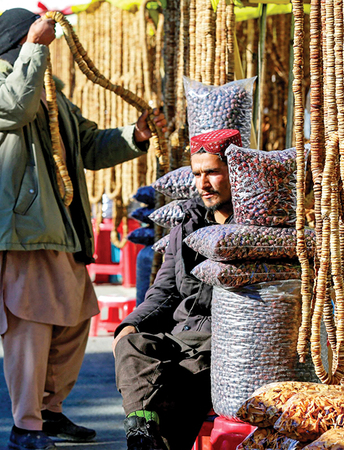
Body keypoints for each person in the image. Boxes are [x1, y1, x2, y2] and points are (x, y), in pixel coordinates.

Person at [0, 9, 167, 450]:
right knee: (30, 328)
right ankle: (25, 425)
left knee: (75, 320)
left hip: (62, 229)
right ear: (24, 43)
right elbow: (12, 108)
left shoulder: (49, 92)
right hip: (23, 229)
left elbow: (90, 145)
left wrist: (135, 135)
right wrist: (36, 49)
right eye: (37, 42)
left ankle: (50, 411)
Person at [112, 129, 241, 450]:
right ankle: (140, 429)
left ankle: (147, 434)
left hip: (220, 347)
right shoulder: (189, 223)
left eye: (212, 172)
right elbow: (165, 288)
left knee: (173, 387)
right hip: (179, 336)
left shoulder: (254, 228)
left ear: (236, 172)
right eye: (198, 174)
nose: (203, 184)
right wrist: (132, 324)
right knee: (133, 346)